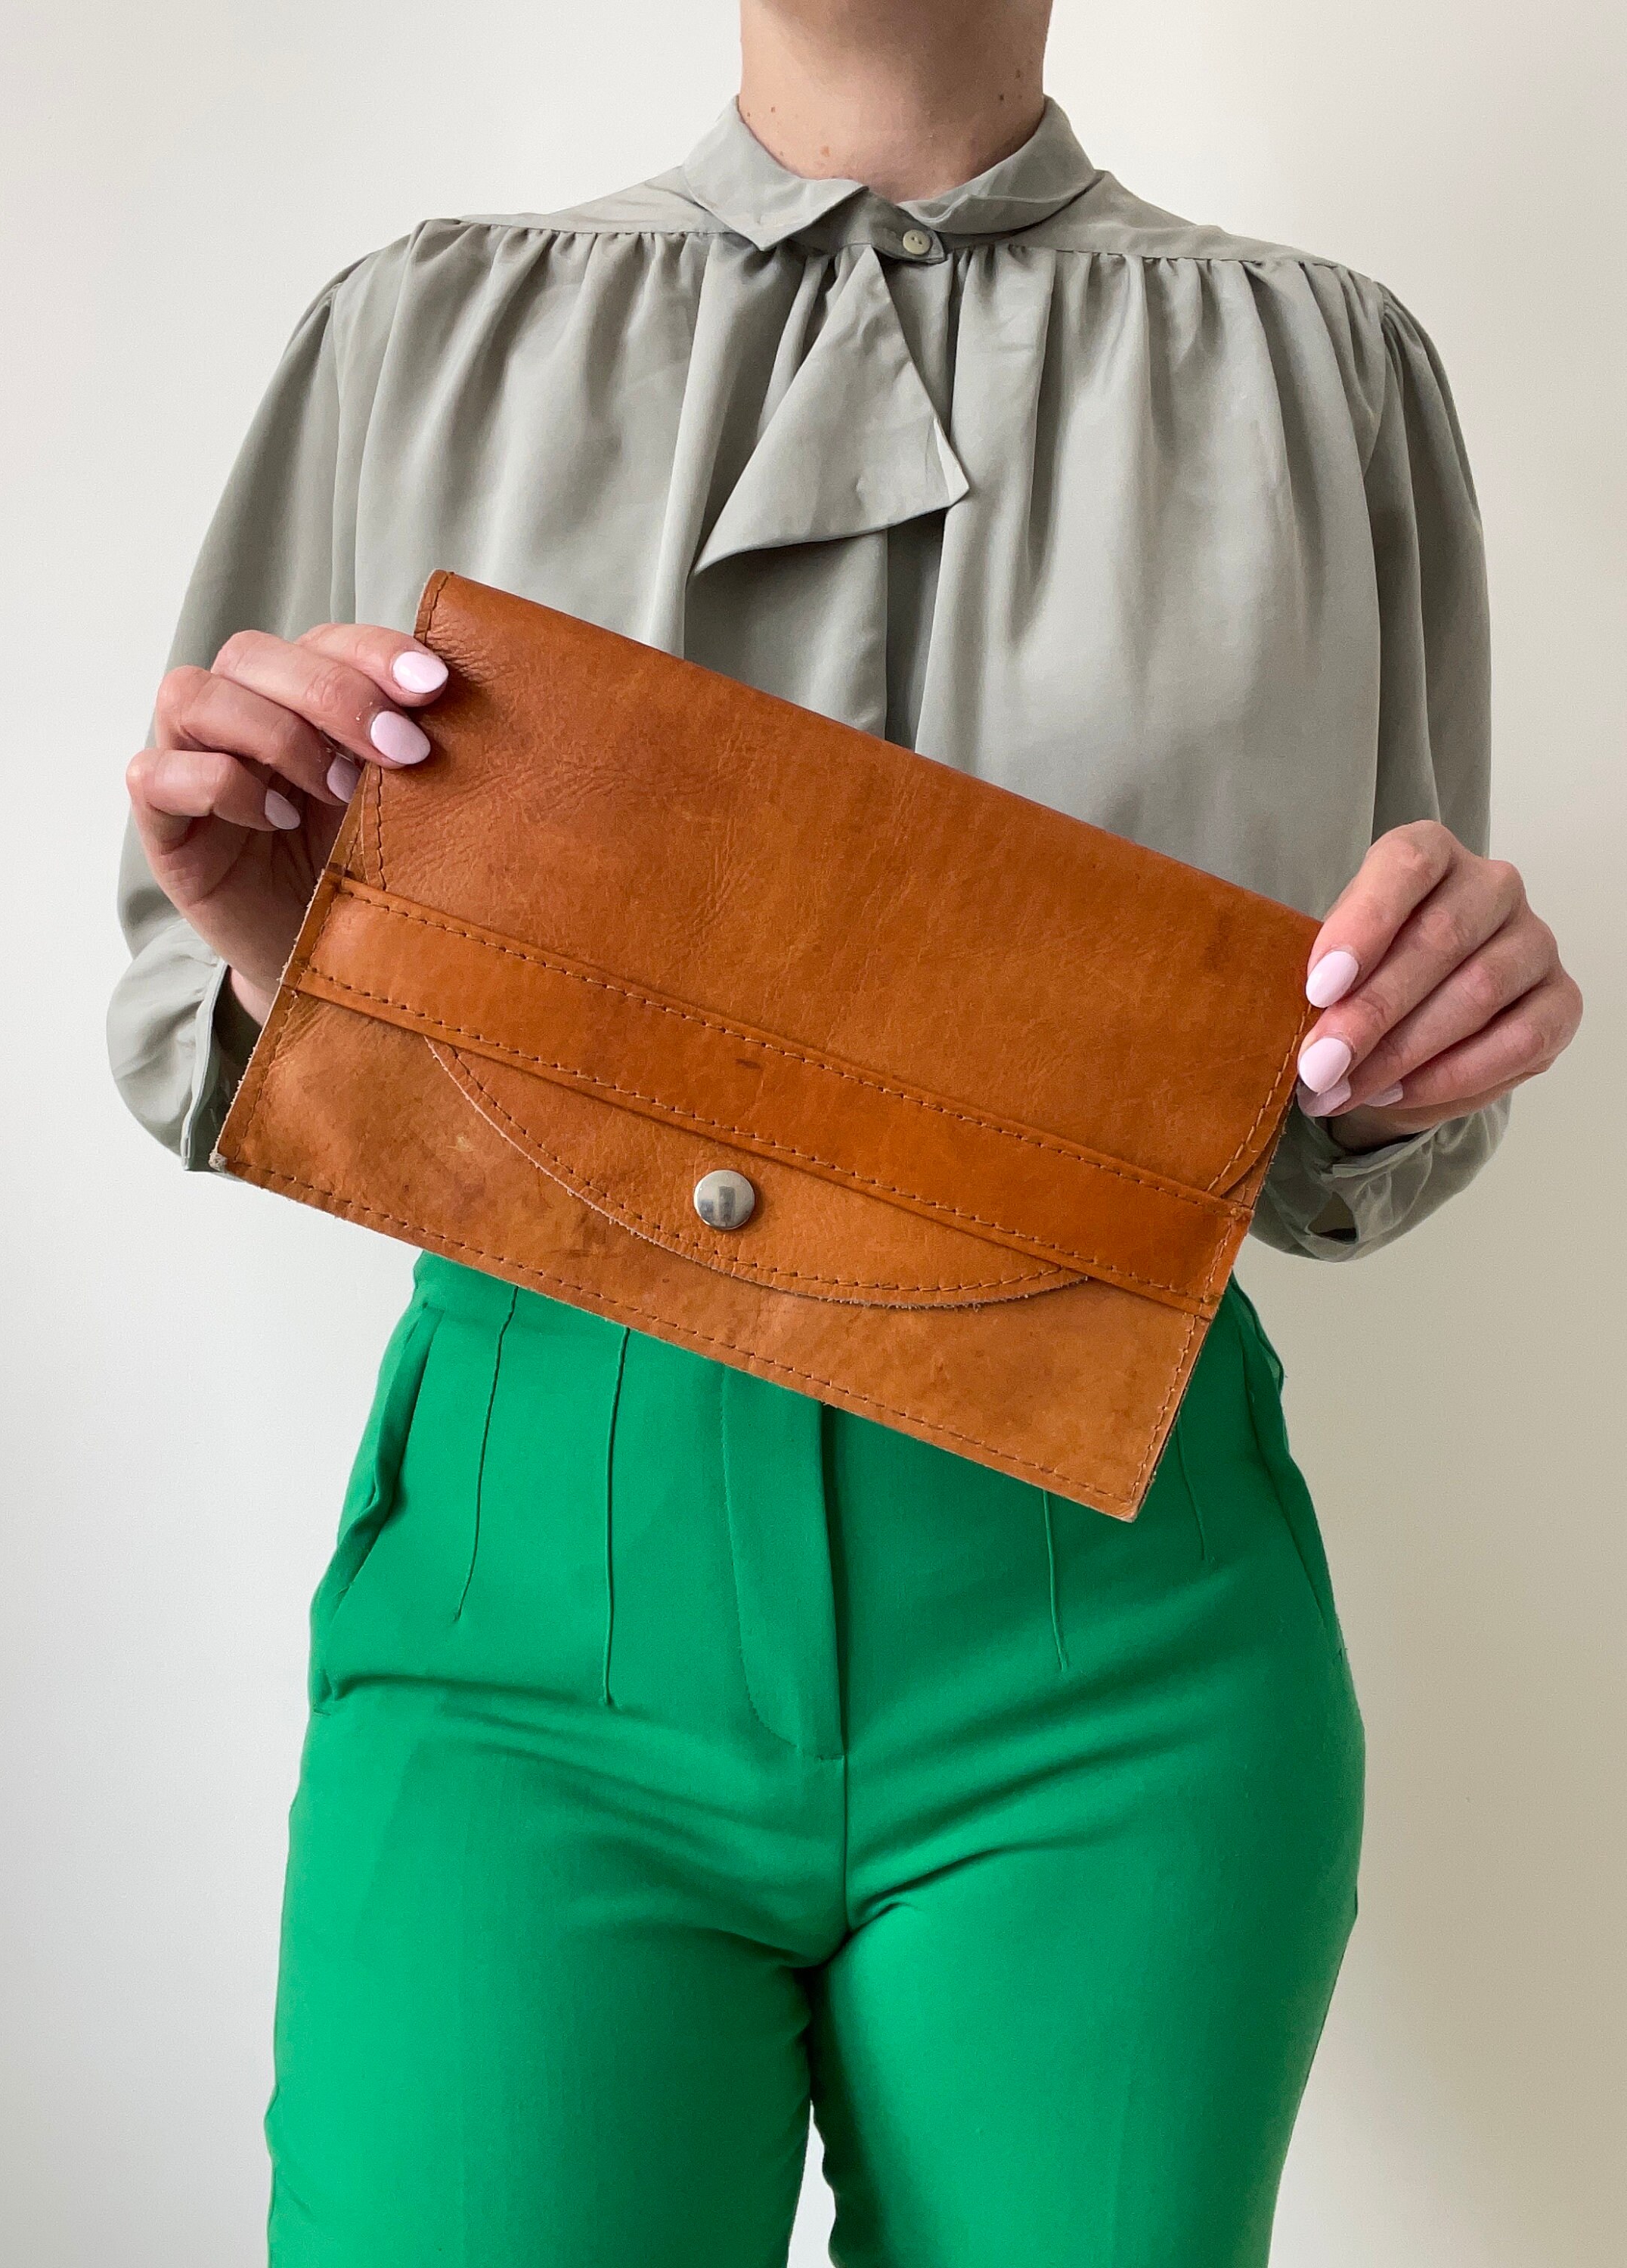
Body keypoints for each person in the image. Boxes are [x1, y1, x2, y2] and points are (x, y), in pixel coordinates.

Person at [108, 4, 1582, 2263]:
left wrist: (1420, 1034)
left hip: (1115, 1622)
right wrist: (267, 944)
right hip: (530, 1610)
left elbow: (1330, 1124)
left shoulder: (1323, 370)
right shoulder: (417, 330)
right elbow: (194, 1019)